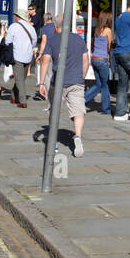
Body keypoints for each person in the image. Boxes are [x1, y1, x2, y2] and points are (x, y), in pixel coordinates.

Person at [47, 20, 90, 158]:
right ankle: (77, 137)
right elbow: (86, 61)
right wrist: (82, 77)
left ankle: (53, 143)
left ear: (56, 26)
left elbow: (45, 60)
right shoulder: (79, 39)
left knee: (55, 112)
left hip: (58, 82)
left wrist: (41, 82)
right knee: (78, 112)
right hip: (76, 80)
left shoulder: (52, 40)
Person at [4, 10, 38, 108]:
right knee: (21, 78)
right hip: (28, 56)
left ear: (18, 17)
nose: (15, 17)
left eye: (16, 16)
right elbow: (34, 41)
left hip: (17, 56)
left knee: (20, 80)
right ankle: (14, 95)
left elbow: (7, 41)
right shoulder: (31, 28)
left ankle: (22, 101)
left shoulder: (13, 26)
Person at [84, 11, 114, 115]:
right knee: (105, 85)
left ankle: (83, 99)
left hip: (94, 58)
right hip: (103, 60)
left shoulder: (97, 30)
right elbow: (109, 47)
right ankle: (106, 109)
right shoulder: (108, 30)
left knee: (99, 84)